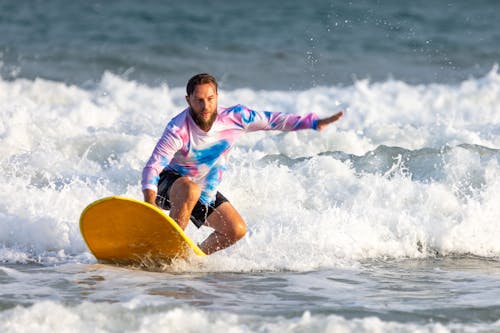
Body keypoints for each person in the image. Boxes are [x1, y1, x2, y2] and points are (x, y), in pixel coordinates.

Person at [142, 73, 343, 255]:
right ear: (188, 100)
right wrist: (150, 206)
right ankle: (166, 252)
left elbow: (274, 120)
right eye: (199, 101)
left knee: (235, 230)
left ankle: (190, 259)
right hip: (168, 186)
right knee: (190, 189)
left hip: (203, 191)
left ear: (217, 97)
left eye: (210, 99)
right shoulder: (178, 128)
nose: (206, 107)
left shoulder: (236, 118)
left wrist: (314, 123)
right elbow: (153, 166)